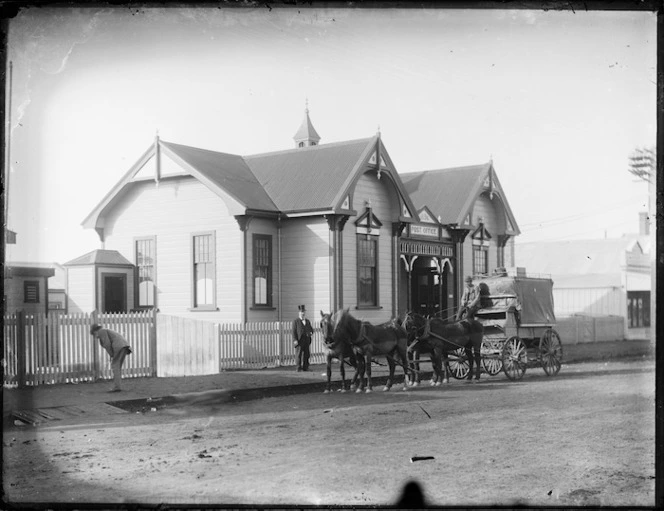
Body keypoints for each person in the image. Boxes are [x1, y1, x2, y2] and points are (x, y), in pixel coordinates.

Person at [90, 324, 132, 392]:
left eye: (94, 334)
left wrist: (112, 354)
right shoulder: (105, 330)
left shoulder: (101, 331)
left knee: (115, 366)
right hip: (123, 346)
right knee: (117, 366)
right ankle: (117, 385)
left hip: (118, 346)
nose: (96, 337)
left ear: (95, 331)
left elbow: (107, 344)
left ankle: (117, 387)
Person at [292, 305, 313, 372]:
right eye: (301, 312)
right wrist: (295, 340)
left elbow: (311, 330)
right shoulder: (296, 321)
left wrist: (310, 333)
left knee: (307, 354)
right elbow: (293, 332)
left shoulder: (307, 321)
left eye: (304, 312)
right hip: (299, 340)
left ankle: (305, 367)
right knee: (298, 354)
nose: (303, 313)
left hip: (306, 340)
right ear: (299, 313)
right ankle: (298, 367)